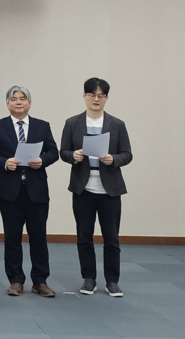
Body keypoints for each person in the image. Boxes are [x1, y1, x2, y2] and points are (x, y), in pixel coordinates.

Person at [60, 78, 132, 298]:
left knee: (112, 238)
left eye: (101, 95)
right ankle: (89, 278)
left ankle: (112, 281)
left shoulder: (117, 124)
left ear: (107, 98)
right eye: (92, 94)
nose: (96, 99)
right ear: (84, 96)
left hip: (110, 190)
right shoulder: (72, 123)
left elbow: (127, 154)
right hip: (83, 189)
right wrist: (73, 156)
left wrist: (113, 159)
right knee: (84, 237)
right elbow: (63, 151)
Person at [0, 86, 59, 297]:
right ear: (7, 104)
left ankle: (40, 281)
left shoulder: (42, 126)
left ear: (29, 103)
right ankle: (15, 280)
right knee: (12, 237)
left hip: (37, 190)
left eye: (23, 98)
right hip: (9, 191)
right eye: (14, 99)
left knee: (39, 237)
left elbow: (53, 152)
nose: (18, 102)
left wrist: (42, 161)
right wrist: (5, 162)